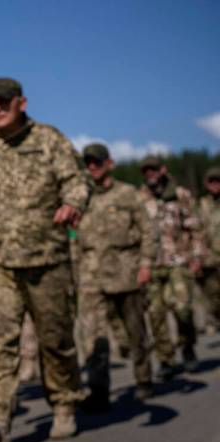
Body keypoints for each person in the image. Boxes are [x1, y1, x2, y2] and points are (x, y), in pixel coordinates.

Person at [0, 77, 88, 442]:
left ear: (21, 103)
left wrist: (74, 203)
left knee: (55, 338)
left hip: (47, 259)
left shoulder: (49, 140)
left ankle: (63, 404)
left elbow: (76, 181)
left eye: (4, 102)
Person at [76, 144, 155, 412]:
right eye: (88, 163)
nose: (92, 167)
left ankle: (143, 378)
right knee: (93, 335)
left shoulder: (128, 194)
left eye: (97, 162)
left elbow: (147, 231)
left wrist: (145, 264)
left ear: (109, 163)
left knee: (135, 332)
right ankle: (99, 391)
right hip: (91, 276)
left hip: (125, 272)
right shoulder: (79, 197)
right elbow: (72, 238)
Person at [139, 156, 203, 377]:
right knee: (156, 314)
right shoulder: (139, 198)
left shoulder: (181, 194)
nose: (149, 174)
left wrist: (196, 256)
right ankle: (165, 358)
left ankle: (187, 347)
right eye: (145, 171)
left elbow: (195, 228)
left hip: (178, 260)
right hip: (152, 263)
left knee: (182, 308)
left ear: (163, 170)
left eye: (153, 170)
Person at [198, 167, 220, 335]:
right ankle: (212, 319)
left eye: (217, 181)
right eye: (211, 181)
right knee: (211, 293)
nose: (215, 184)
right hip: (209, 258)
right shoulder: (201, 205)